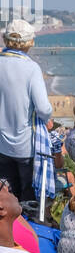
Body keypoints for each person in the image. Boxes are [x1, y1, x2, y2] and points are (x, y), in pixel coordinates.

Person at [0, 18, 53, 204]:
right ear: (30, 42)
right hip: (25, 146)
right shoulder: (31, 68)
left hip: (1, 144)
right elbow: (43, 108)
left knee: (6, 197)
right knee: (27, 199)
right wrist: (47, 117)